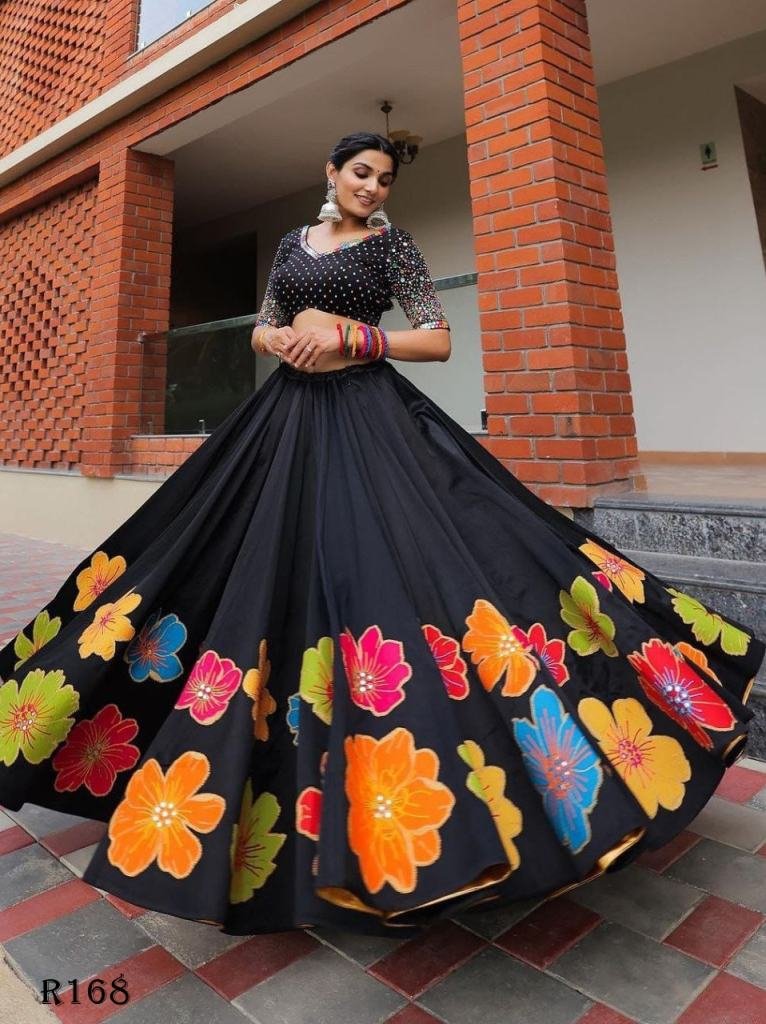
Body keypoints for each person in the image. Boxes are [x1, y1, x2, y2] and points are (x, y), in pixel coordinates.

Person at [0, 131, 763, 939]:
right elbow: (264, 324)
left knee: (415, 567)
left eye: (385, 179)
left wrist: (353, 337)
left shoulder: (392, 246)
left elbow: (436, 336)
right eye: (360, 173)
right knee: (215, 558)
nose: (372, 187)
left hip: (371, 420)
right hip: (283, 425)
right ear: (331, 172)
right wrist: (279, 338)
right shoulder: (292, 243)